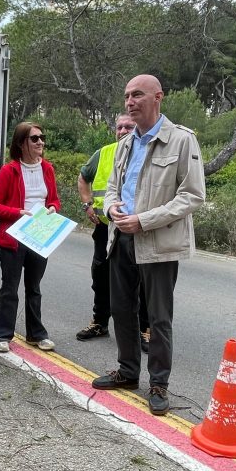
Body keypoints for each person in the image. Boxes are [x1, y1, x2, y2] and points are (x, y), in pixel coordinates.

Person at [90, 75, 206, 418]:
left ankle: (158, 384)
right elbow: (112, 186)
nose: (129, 101)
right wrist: (111, 208)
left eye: (137, 94)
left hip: (157, 241)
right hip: (120, 238)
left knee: (158, 318)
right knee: (122, 310)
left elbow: (193, 195)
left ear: (158, 97)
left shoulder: (182, 141)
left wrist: (145, 220)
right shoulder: (126, 143)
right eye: (126, 95)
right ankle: (127, 373)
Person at [75, 114, 153, 353]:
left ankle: (145, 329)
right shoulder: (104, 153)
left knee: (141, 280)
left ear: (137, 128)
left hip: (137, 228)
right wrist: (87, 205)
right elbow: (83, 178)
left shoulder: (149, 152)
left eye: (128, 126)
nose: (122, 131)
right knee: (101, 276)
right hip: (104, 227)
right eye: (119, 127)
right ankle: (100, 322)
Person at [0, 122, 62, 353]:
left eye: (42, 137)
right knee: (10, 287)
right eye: (35, 138)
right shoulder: (10, 171)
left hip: (40, 235)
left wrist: (52, 208)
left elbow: (55, 200)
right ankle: (1, 334)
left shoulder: (47, 168)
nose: (41, 142)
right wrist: (17, 212)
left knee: (34, 287)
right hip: (14, 238)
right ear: (21, 143)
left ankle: (36, 334)